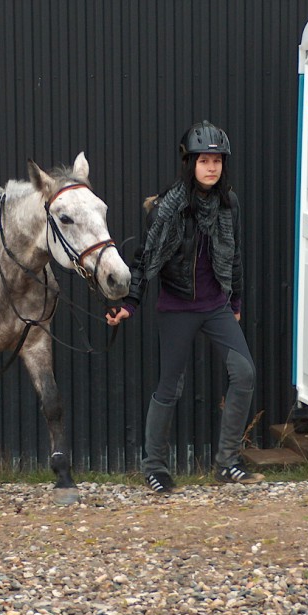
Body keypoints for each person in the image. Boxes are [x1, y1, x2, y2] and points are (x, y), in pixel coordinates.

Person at [106, 120, 263, 494]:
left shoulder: (229, 203)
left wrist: (235, 300)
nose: (211, 168)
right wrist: (130, 303)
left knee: (244, 374)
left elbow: (234, 255)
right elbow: (146, 259)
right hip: (177, 307)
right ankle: (154, 467)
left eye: (217, 161)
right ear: (189, 163)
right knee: (170, 387)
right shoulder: (167, 208)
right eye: (204, 160)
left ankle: (227, 463)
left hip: (216, 305)